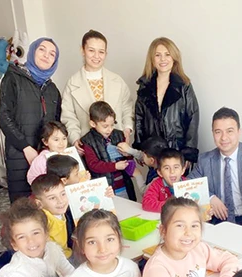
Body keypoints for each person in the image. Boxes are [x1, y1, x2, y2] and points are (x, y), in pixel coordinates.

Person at [0, 37, 61, 203]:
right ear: (33, 51)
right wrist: (25, 148)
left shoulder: (52, 89)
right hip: (19, 154)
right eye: (42, 50)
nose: (46, 55)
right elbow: (4, 116)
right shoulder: (13, 78)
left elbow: (56, 123)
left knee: (47, 203)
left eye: (52, 54)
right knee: (23, 205)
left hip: (45, 155)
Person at [188, 107, 242, 228]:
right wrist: (210, 197)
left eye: (229, 131)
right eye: (218, 132)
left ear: (239, 132)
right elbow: (187, 184)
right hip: (218, 221)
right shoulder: (205, 160)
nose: (224, 138)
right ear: (213, 133)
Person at [61, 30, 134, 154]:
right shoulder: (72, 83)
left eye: (101, 52)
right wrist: (75, 139)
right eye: (91, 50)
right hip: (88, 148)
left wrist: (127, 130)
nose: (96, 56)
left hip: (117, 146)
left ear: (106, 53)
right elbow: (69, 116)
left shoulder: (117, 81)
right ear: (82, 50)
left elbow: (127, 108)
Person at [134, 37, 199, 167]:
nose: (163, 59)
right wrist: (140, 149)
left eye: (167, 54)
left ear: (174, 57)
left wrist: (188, 153)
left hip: (178, 153)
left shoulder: (184, 85)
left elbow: (193, 117)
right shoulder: (145, 86)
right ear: (152, 59)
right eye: (158, 55)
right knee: (154, 181)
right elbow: (139, 118)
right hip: (154, 154)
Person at [81, 101, 136, 200]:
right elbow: (93, 165)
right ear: (93, 123)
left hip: (124, 183)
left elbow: (129, 158)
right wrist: (115, 166)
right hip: (105, 187)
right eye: (105, 126)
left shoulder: (119, 135)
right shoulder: (87, 141)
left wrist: (127, 154)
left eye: (112, 125)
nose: (110, 129)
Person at [31, 174, 72, 259]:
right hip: (55, 259)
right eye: (52, 198)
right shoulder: (44, 219)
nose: (60, 201)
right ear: (39, 203)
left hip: (65, 252)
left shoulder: (57, 211)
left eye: (63, 194)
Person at [142, 148, 185, 212]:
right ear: (160, 173)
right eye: (167, 168)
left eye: (176, 167)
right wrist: (172, 206)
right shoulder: (156, 185)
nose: (172, 171)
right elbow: (146, 203)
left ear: (183, 170)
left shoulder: (189, 184)